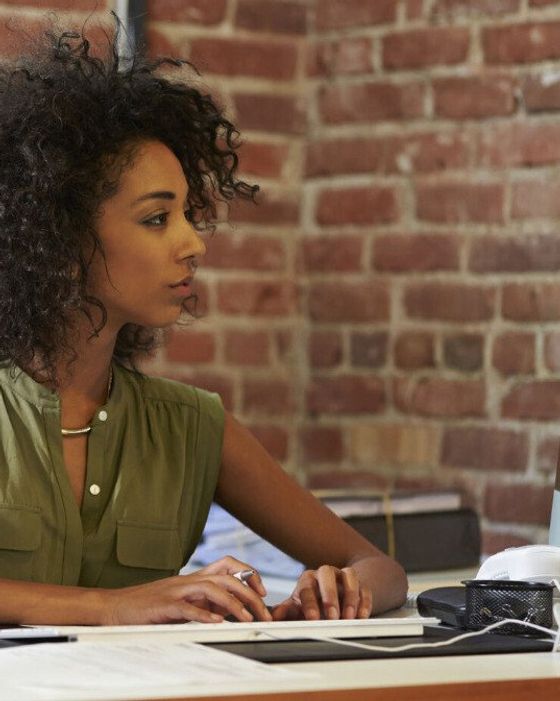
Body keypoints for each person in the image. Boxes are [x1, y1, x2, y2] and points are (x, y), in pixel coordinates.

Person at [0, 29, 407, 626]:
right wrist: (115, 607)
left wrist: (331, 593)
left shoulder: (191, 428)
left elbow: (378, 567)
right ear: (57, 236)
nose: (193, 244)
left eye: (188, 214)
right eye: (157, 218)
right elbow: (125, 611)